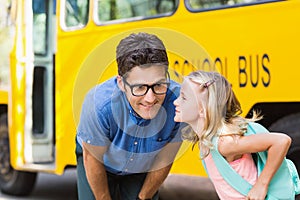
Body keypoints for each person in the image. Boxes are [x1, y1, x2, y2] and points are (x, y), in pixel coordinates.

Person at [75, 32, 183, 200]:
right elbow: (92, 158)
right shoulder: (99, 105)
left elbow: (165, 157)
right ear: (121, 83)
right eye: (140, 88)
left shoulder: (179, 102)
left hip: (142, 164)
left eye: (159, 85)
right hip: (98, 160)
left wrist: (143, 197)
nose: (151, 98)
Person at [173, 70, 292, 200]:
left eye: (184, 98)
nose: (176, 102)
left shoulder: (225, 143)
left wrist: (261, 185)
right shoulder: (206, 138)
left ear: (203, 110)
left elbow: (281, 141)